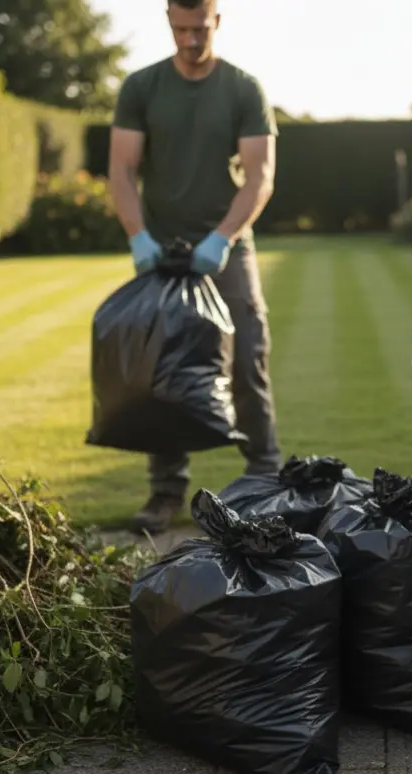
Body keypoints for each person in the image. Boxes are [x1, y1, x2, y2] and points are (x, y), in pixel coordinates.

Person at [107, 0, 281, 535]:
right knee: (161, 371)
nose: (190, 40)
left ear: (216, 22)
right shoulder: (142, 87)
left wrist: (223, 237)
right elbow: (121, 170)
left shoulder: (242, 89)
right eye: (181, 29)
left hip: (225, 247)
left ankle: (264, 480)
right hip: (160, 251)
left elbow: (259, 177)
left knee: (247, 357)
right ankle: (165, 493)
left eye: (200, 29)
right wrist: (137, 235)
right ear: (168, 21)